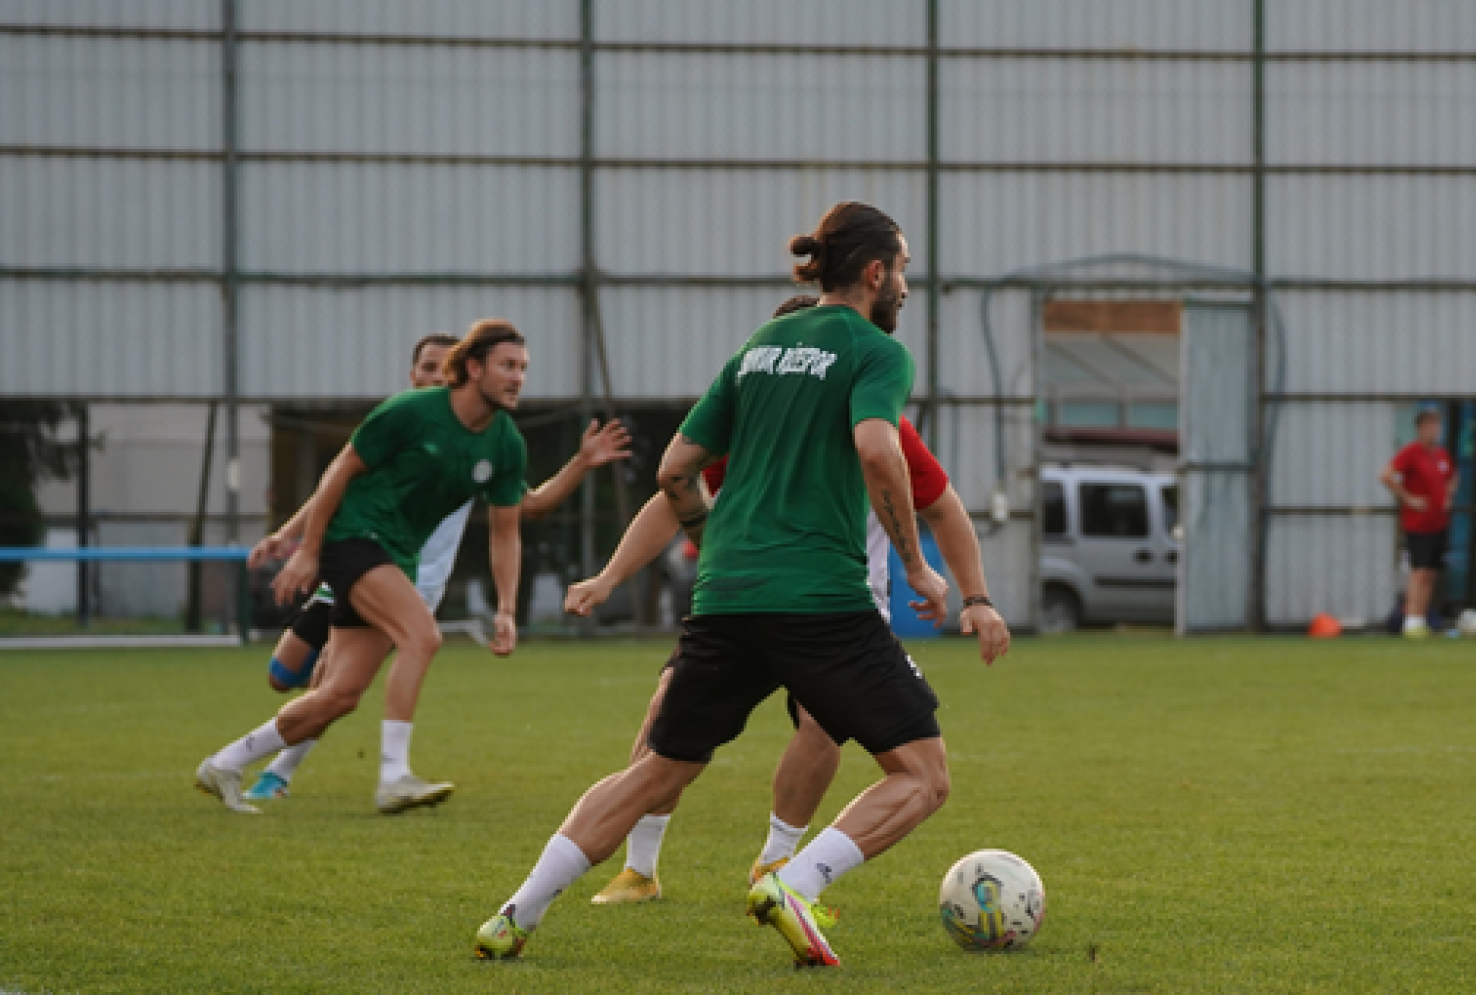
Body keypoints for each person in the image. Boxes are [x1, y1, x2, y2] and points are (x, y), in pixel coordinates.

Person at [474, 202, 1007, 967]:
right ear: (874, 270)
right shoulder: (874, 351)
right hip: (819, 599)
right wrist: (916, 565)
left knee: (657, 768)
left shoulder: (759, 346)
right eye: (906, 269)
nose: (907, 288)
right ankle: (794, 881)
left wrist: (709, 537)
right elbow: (876, 450)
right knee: (922, 775)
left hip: (725, 595)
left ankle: (515, 912)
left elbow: (672, 471)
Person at [564, 294, 1008, 906]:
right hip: (748, 600)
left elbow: (945, 507)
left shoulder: (879, 422)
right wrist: (609, 577)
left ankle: (775, 862)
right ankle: (641, 868)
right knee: (664, 716)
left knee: (821, 729)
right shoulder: (758, 424)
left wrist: (975, 596)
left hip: (838, 608)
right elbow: (674, 491)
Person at [242, 333, 632, 801]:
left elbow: (524, 508)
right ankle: (242, 761)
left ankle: (281, 772)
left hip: (413, 580)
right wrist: (291, 537)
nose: (433, 375)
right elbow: (341, 481)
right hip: (360, 557)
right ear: (416, 375)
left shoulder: (481, 440)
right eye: (426, 367)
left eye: (438, 366)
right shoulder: (409, 421)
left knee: (334, 680)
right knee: (283, 675)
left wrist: (582, 463)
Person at [195, 319, 533, 815]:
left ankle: (225, 763)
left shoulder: (506, 444)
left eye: (524, 368)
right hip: (354, 536)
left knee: (340, 695)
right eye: (508, 366)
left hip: (398, 556)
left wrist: (506, 607)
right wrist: (307, 548)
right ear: (474, 367)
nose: (518, 377)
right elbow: (341, 470)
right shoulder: (411, 412)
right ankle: (393, 776)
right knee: (423, 636)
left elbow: (506, 531)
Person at [1380, 406, 1458, 639]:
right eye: (1429, 425)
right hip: (1418, 523)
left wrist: (1448, 496)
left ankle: (1421, 618)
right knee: (1419, 571)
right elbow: (1386, 475)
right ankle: (1411, 620)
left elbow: (1453, 476)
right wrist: (1409, 498)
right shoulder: (1411, 453)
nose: (1434, 429)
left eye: (1437, 425)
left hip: (1438, 522)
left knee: (1432, 573)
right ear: (1420, 428)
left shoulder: (1442, 454)